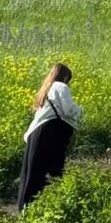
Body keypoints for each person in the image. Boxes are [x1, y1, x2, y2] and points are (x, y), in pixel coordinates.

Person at [18, 62, 82, 210]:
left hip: (36, 133)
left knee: (31, 172)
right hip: (50, 132)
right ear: (65, 77)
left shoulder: (46, 89)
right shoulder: (60, 86)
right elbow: (67, 110)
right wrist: (80, 110)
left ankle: (25, 209)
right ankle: (46, 208)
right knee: (51, 170)